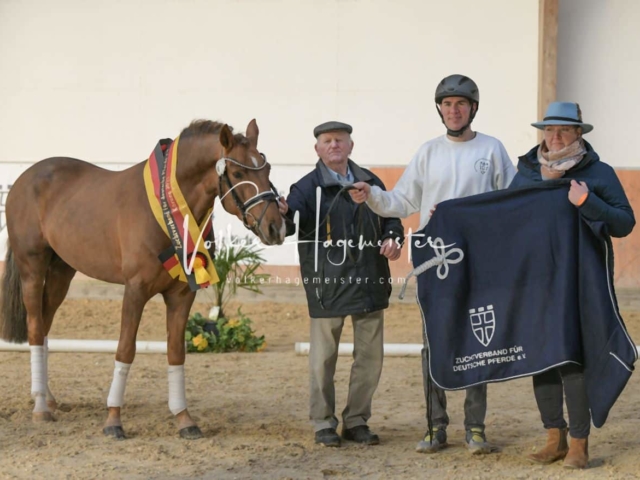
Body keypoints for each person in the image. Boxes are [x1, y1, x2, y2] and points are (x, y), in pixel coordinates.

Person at [349, 74, 516, 454]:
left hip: (479, 259)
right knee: (435, 341)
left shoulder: (492, 150)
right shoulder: (428, 152)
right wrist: (371, 194)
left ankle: (475, 426)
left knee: (479, 339)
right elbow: (402, 201)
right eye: (446, 104)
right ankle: (434, 425)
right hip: (437, 259)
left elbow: (511, 199)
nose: (453, 110)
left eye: (460, 104)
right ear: (439, 109)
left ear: (473, 108)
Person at [509, 101, 635, 469]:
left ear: (578, 133)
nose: (556, 136)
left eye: (564, 130)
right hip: (537, 281)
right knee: (542, 356)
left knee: (573, 357)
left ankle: (579, 442)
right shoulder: (528, 172)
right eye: (550, 130)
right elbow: (505, 215)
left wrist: (588, 201)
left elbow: (624, 223)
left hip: (581, 281)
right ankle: (554, 436)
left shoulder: (599, 173)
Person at [279, 121, 404, 447]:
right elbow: (289, 221)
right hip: (327, 287)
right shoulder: (306, 188)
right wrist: (281, 212)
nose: (334, 145)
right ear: (318, 149)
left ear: (350, 145)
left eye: (340, 140)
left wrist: (393, 237)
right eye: (327, 141)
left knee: (370, 360)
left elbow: (391, 215)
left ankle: (356, 421)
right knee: (322, 361)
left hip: (369, 283)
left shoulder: (371, 182)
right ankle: (323, 423)